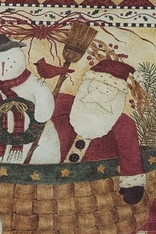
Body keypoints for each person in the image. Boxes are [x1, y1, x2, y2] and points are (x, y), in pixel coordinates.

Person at [51, 59, 145, 204]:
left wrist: (132, 184)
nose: (100, 95)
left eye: (108, 92)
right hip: (47, 185)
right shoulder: (62, 103)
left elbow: (129, 153)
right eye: (95, 87)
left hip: (93, 188)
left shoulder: (123, 124)